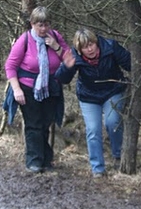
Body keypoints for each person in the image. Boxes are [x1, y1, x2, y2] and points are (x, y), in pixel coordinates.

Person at [55, 28, 131, 178]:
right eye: (85, 47)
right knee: (93, 130)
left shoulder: (110, 47)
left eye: (91, 45)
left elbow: (130, 63)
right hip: (89, 96)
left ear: (96, 42)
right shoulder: (74, 55)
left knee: (112, 122)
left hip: (112, 91)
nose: (89, 49)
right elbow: (63, 79)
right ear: (79, 49)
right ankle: (98, 168)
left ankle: (118, 155)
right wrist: (66, 67)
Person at [4, 6, 70, 173]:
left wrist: (56, 47)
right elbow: (10, 66)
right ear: (32, 24)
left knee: (46, 124)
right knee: (34, 124)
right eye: (39, 25)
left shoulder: (55, 37)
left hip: (51, 87)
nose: (43, 29)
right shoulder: (25, 40)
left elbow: (70, 61)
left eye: (46, 24)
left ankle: (46, 160)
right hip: (28, 88)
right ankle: (34, 161)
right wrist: (16, 89)